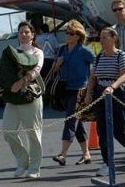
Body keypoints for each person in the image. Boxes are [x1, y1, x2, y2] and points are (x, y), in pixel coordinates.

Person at [85, 27, 125, 176]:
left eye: (105, 37)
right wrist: (89, 93)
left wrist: (112, 87)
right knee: (102, 131)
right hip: (101, 94)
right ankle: (107, 163)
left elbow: (124, 76)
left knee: (120, 129)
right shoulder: (99, 57)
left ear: (114, 38)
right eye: (101, 37)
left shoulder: (121, 56)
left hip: (117, 94)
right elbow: (93, 77)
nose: (102, 40)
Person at [0, 21, 44, 179]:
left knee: (33, 134)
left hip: (30, 96)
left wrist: (21, 82)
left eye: (26, 32)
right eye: (21, 32)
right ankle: (23, 161)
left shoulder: (37, 52)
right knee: (8, 132)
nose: (23, 34)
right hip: (12, 98)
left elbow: (36, 70)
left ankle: (35, 167)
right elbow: (2, 70)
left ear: (32, 34)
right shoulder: (11, 51)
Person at [51, 20, 95, 166]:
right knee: (77, 122)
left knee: (70, 120)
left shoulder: (84, 51)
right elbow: (54, 69)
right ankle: (86, 154)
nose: (68, 35)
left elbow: (96, 65)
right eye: (67, 32)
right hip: (65, 89)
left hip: (79, 90)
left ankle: (63, 154)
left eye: (71, 33)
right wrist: (58, 63)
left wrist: (91, 86)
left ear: (78, 36)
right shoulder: (62, 49)